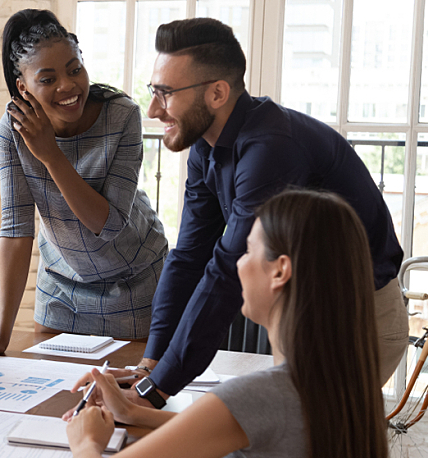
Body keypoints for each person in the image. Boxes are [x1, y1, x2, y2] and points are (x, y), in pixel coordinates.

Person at [94, 17, 407, 405]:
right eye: (153, 90)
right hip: (302, 311)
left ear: (218, 93)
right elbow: (190, 257)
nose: (154, 109)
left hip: (357, 319)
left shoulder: (270, 149)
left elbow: (226, 271)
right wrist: (151, 365)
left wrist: (156, 391)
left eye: (166, 92)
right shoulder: (206, 148)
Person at [66, 189, 389, 458]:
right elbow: (236, 427)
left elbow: (246, 413)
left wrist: (87, 442)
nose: (239, 263)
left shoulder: (261, 394)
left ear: (280, 271)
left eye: (248, 250)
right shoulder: (341, 385)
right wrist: (133, 413)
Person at [0, 9, 169, 358]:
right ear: (23, 86)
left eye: (75, 69)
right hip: (61, 288)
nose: (68, 86)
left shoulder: (122, 116)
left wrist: (50, 154)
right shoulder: (13, 128)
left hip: (134, 284)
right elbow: (16, 229)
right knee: (50, 401)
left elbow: (106, 224)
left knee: (123, 401)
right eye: (47, 79)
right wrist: (1, 335)